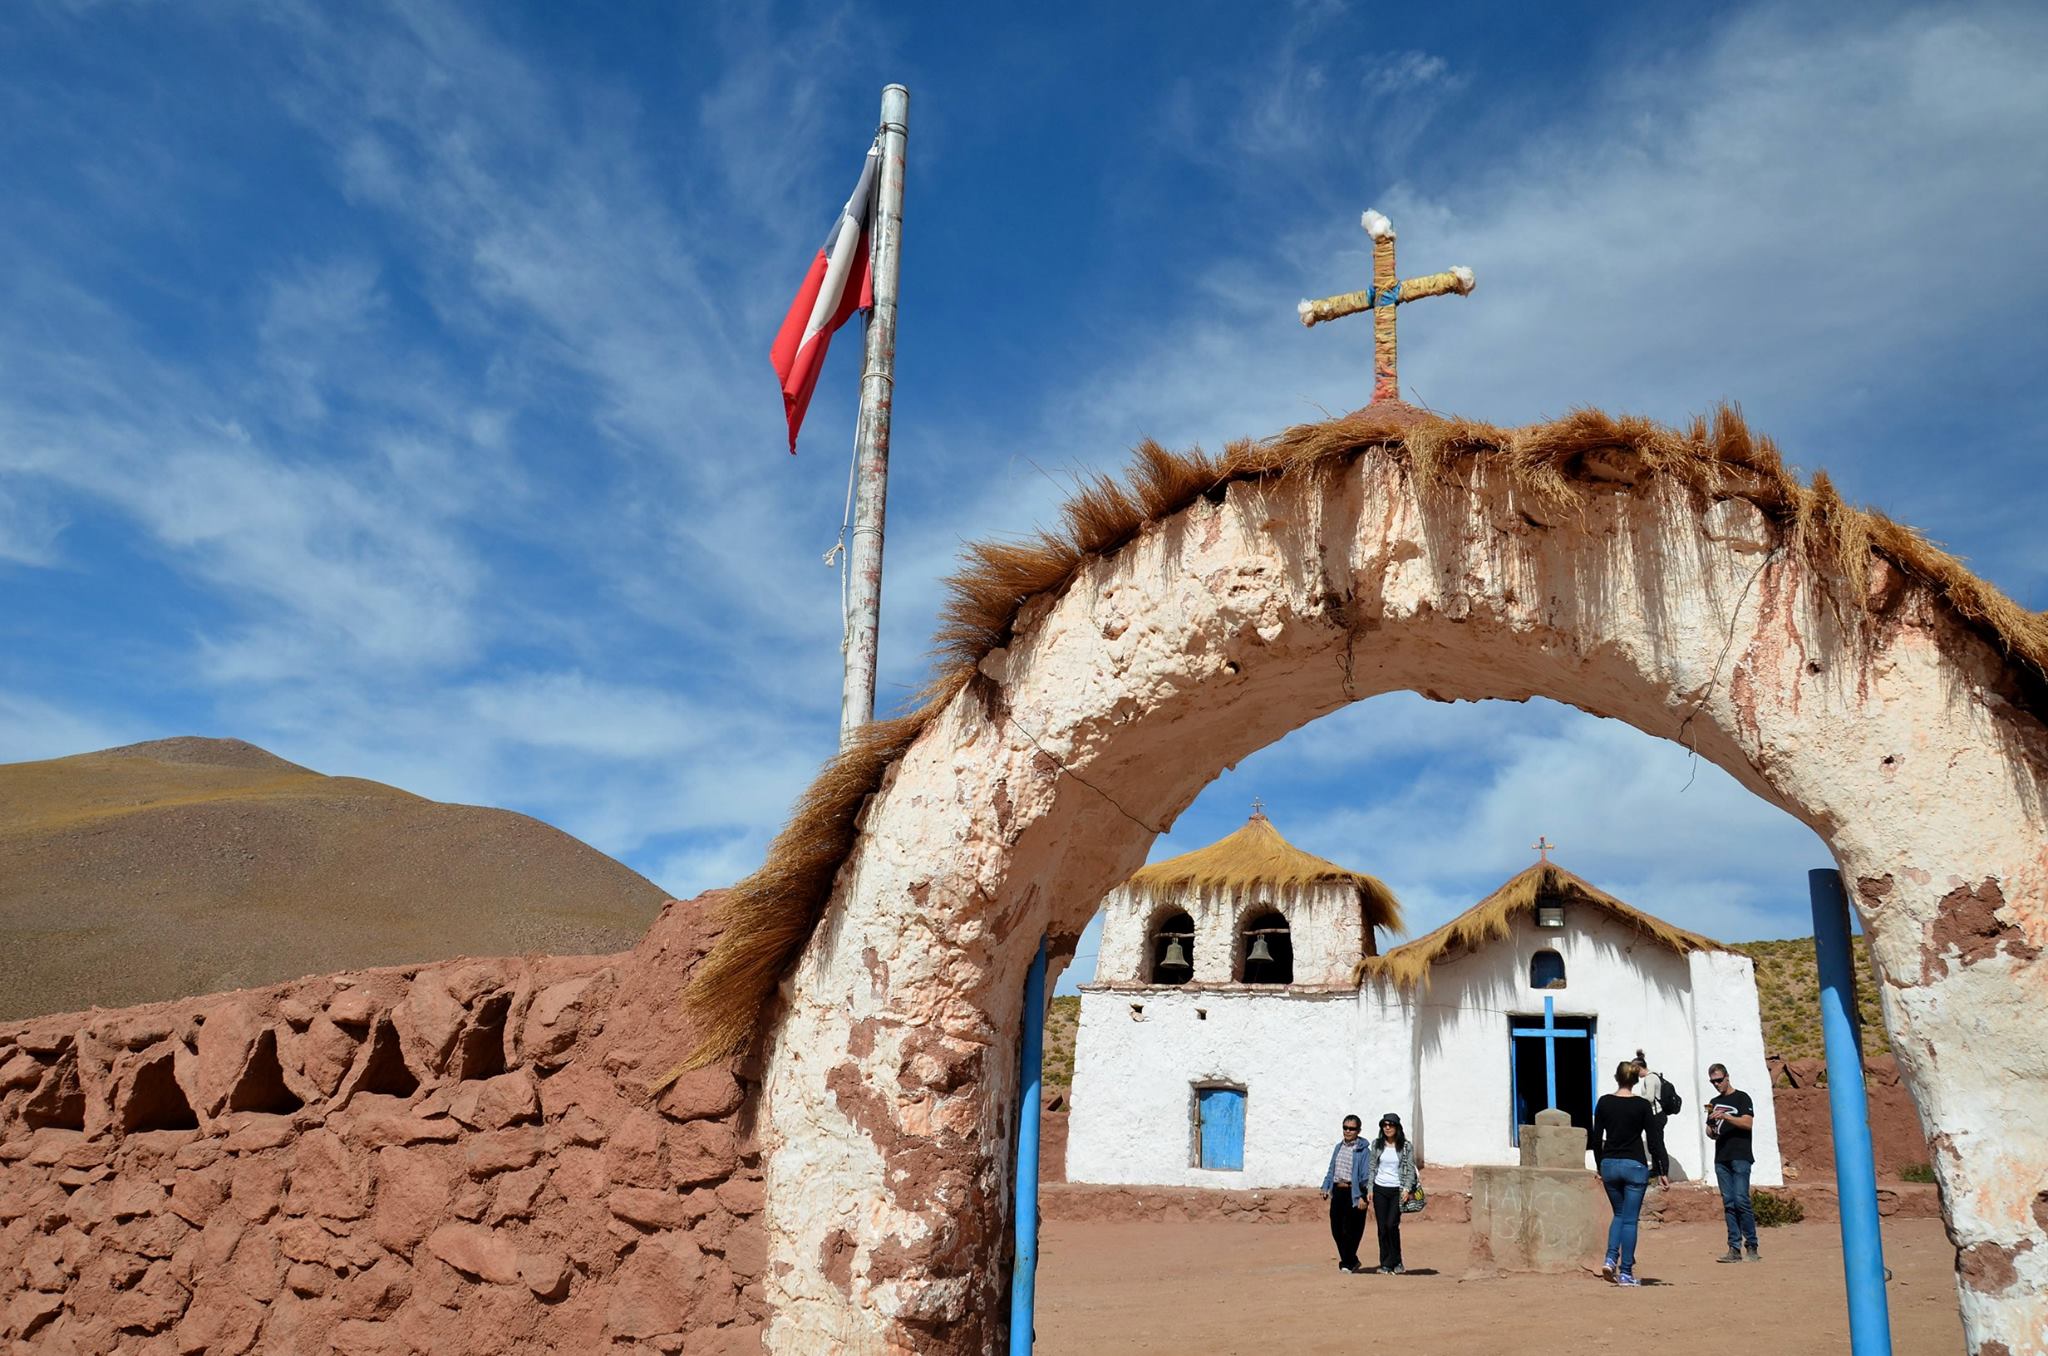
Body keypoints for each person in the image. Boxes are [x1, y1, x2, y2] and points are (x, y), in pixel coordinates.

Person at [1587, 1060, 1668, 1287]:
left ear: (1616, 1078)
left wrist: (1600, 1165)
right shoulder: (1642, 1105)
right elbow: (1654, 1139)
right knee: (1630, 1220)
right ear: (1635, 1080)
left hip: (1610, 1164)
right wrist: (1662, 1169)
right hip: (1634, 1165)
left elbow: (1596, 1138)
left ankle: (1610, 1258)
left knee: (1619, 1214)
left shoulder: (1604, 1102)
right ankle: (1625, 1272)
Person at [1705, 1063, 1760, 1262]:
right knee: (1728, 1203)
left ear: (1727, 1077)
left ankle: (1751, 1245)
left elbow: (1747, 1123)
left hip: (1741, 1155)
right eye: (1713, 1081)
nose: (1716, 1084)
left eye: (1719, 1080)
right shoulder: (1713, 1102)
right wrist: (1712, 1125)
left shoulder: (1742, 1098)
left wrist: (1726, 1116)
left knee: (1741, 1200)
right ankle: (1734, 1248)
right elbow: (1710, 1133)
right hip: (1721, 1157)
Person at [1366, 1112, 1420, 1274]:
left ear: (1397, 1127)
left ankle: (1396, 1260)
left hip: (1398, 1190)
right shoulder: (1377, 1144)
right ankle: (1386, 1263)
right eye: (1385, 1125)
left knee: (1392, 1225)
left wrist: (1407, 1188)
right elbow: (1372, 1167)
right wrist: (1370, 1188)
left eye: (1391, 1125)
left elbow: (1410, 1169)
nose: (1387, 1128)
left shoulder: (1406, 1146)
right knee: (1382, 1228)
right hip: (1380, 1189)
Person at [1318, 1114, 1370, 1273]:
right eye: (1345, 1128)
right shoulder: (1338, 1147)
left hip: (1354, 1192)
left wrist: (1363, 1196)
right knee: (1336, 1228)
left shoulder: (1363, 1151)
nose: (1348, 1131)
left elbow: (1366, 1176)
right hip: (1338, 1191)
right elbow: (1331, 1169)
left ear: (1358, 1131)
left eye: (1351, 1128)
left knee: (1353, 1229)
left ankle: (1347, 1262)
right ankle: (1351, 1260)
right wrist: (1326, 1186)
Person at [1633, 1051, 1667, 1125]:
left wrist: (1635, 1097)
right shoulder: (1652, 1076)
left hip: (1655, 1115)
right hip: (1656, 1114)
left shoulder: (1650, 1078)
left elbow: (1650, 1098)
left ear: (1639, 1068)